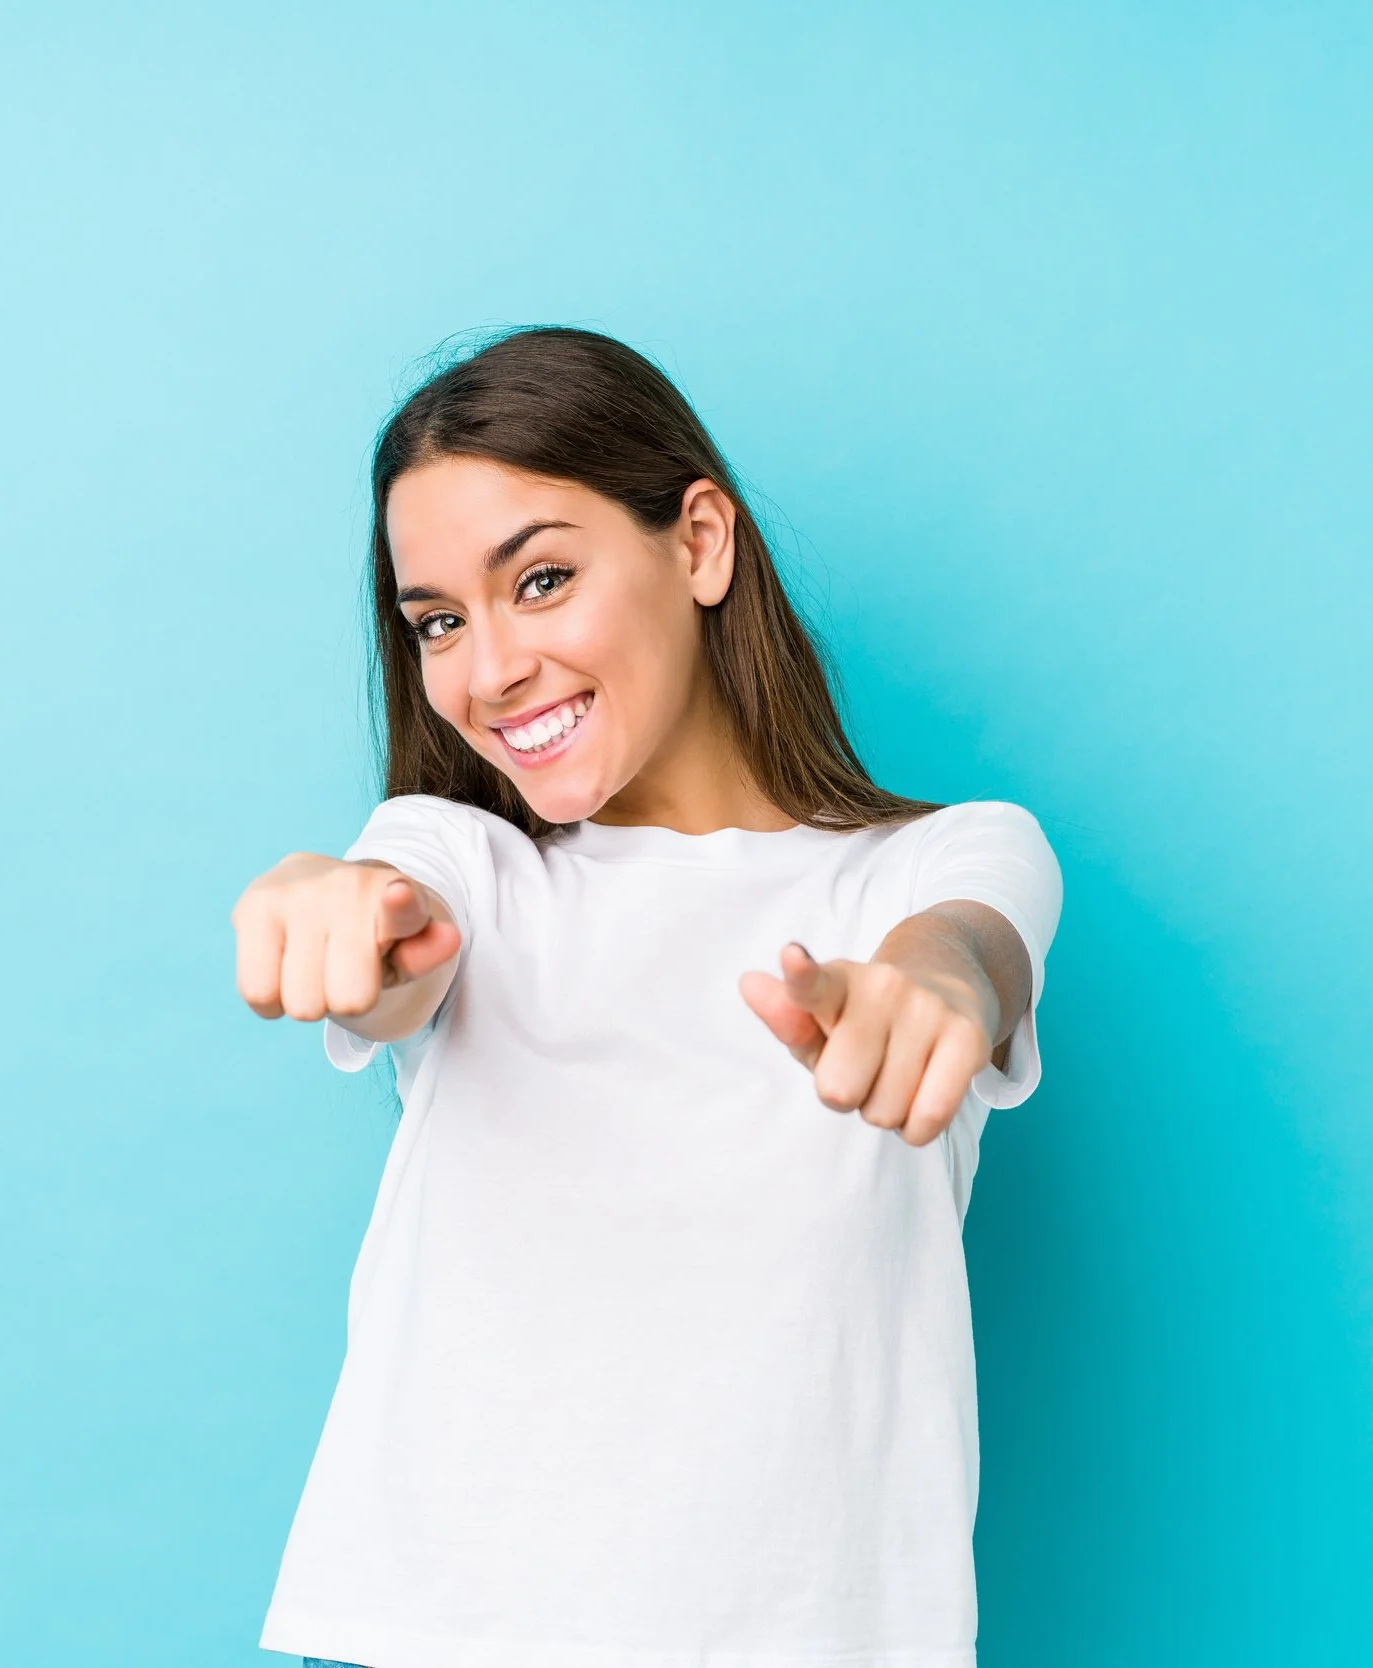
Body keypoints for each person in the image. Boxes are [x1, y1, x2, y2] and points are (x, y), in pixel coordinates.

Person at [236, 326, 1063, 1668]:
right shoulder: (468, 868)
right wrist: (346, 908)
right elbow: (397, 914)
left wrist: (930, 985)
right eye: (439, 620)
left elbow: (971, 943)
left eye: (543, 578)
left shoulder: (939, 861)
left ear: (699, 543)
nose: (488, 669)